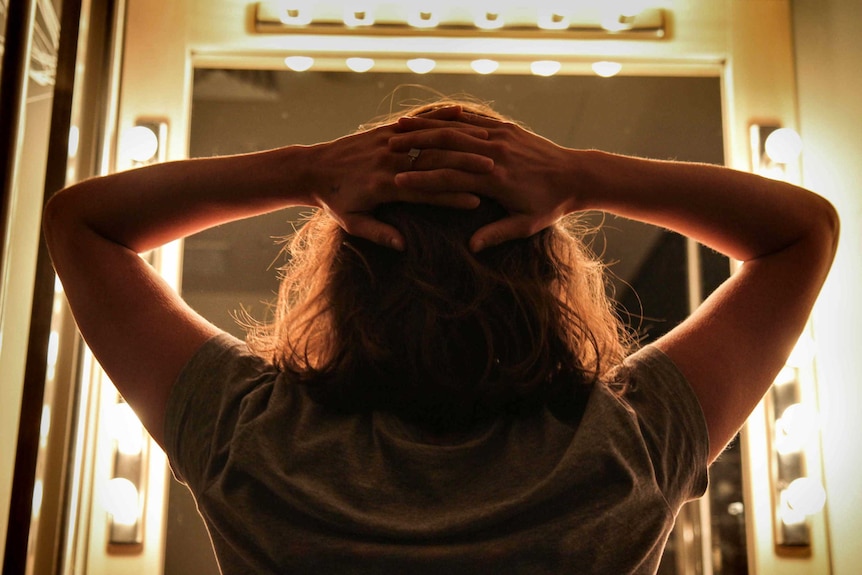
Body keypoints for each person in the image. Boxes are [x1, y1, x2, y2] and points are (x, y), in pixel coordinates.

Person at [43, 101, 838, 574]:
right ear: (544, 273)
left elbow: (82, 223)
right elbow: (803, 232)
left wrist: (305, 169)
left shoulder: (252, 440)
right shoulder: (620, 451)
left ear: (346, 272)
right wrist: (583, 175)